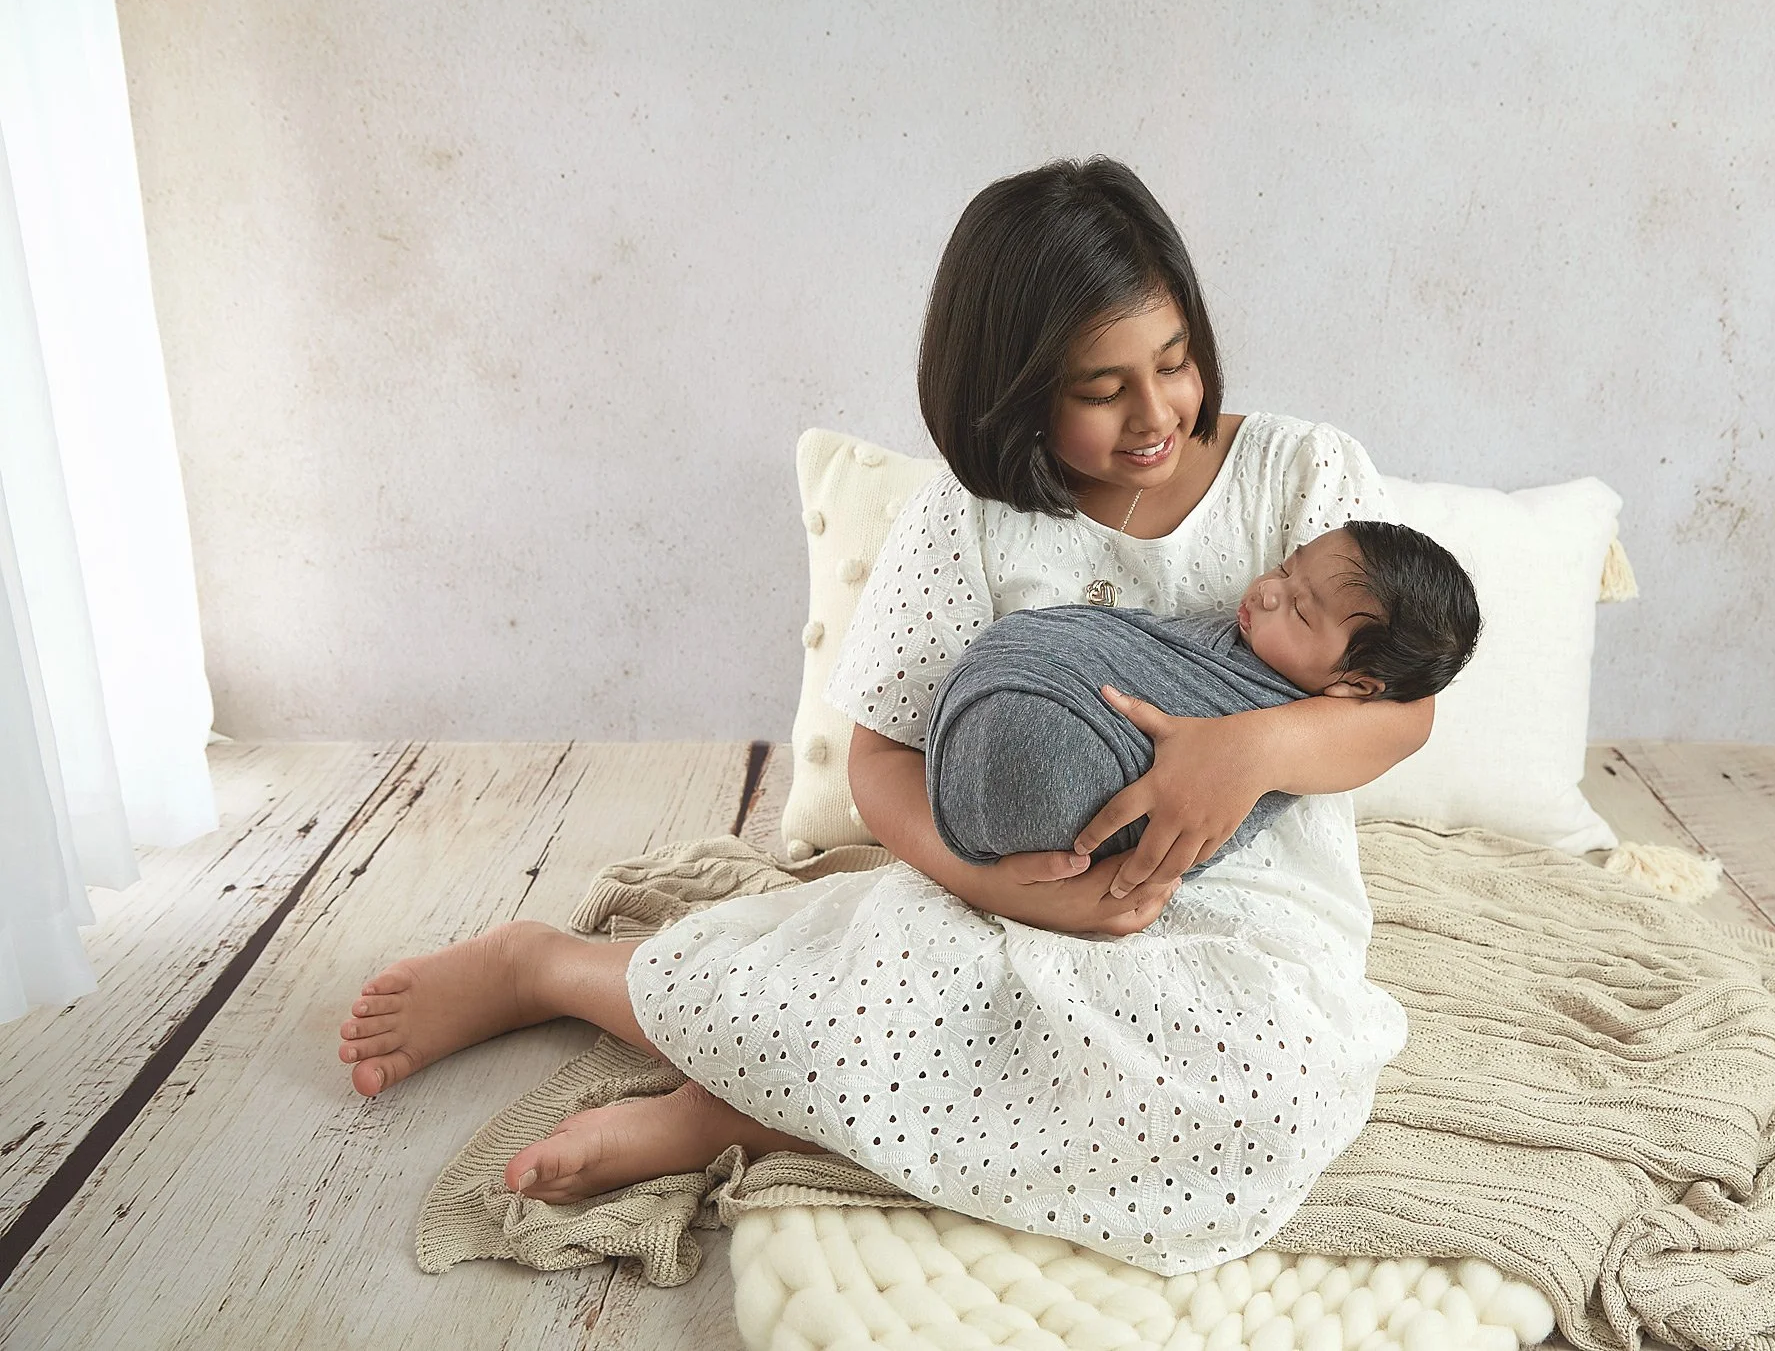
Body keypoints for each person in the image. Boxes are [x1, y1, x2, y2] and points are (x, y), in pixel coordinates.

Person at [334, 157, 1435, 1273]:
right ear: (1010, 387)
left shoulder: (1302, 475)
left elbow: (1401, 713)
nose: (1155, 413)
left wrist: (1248, 750)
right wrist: (986, 886)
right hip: (1009, 891)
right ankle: (550, 969)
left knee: (1280, 1094)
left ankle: (742, 1115)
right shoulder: (968, 520)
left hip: (1243, 906)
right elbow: (882, 758)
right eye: (1101, 390)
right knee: (905, 986)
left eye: (1173, 361)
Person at [924, 521, 1480, 883]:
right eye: (1287, 567)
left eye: (1301, 610)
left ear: (1357, 685)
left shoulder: (1297, 727)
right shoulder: (1231, 636)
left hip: (1017, 757)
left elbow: (1202, 823)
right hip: (996, 693)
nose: (1267, 589)